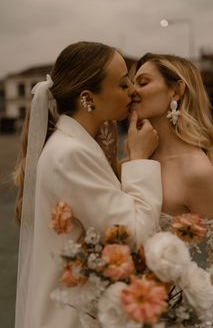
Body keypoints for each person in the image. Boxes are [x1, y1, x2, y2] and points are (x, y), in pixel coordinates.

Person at [14, 42, 162, 328]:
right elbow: (132, 234)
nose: (133, 91)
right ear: (88, 99)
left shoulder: (74, 145)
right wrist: (140, 159)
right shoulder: (70, 155)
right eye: (122, 85)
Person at [131, 53, 213, 322]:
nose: (133, 90)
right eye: (131, 83)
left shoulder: (195, 170)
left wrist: (183, 317)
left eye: (142, 82)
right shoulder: (136, 157)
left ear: (176, 89)